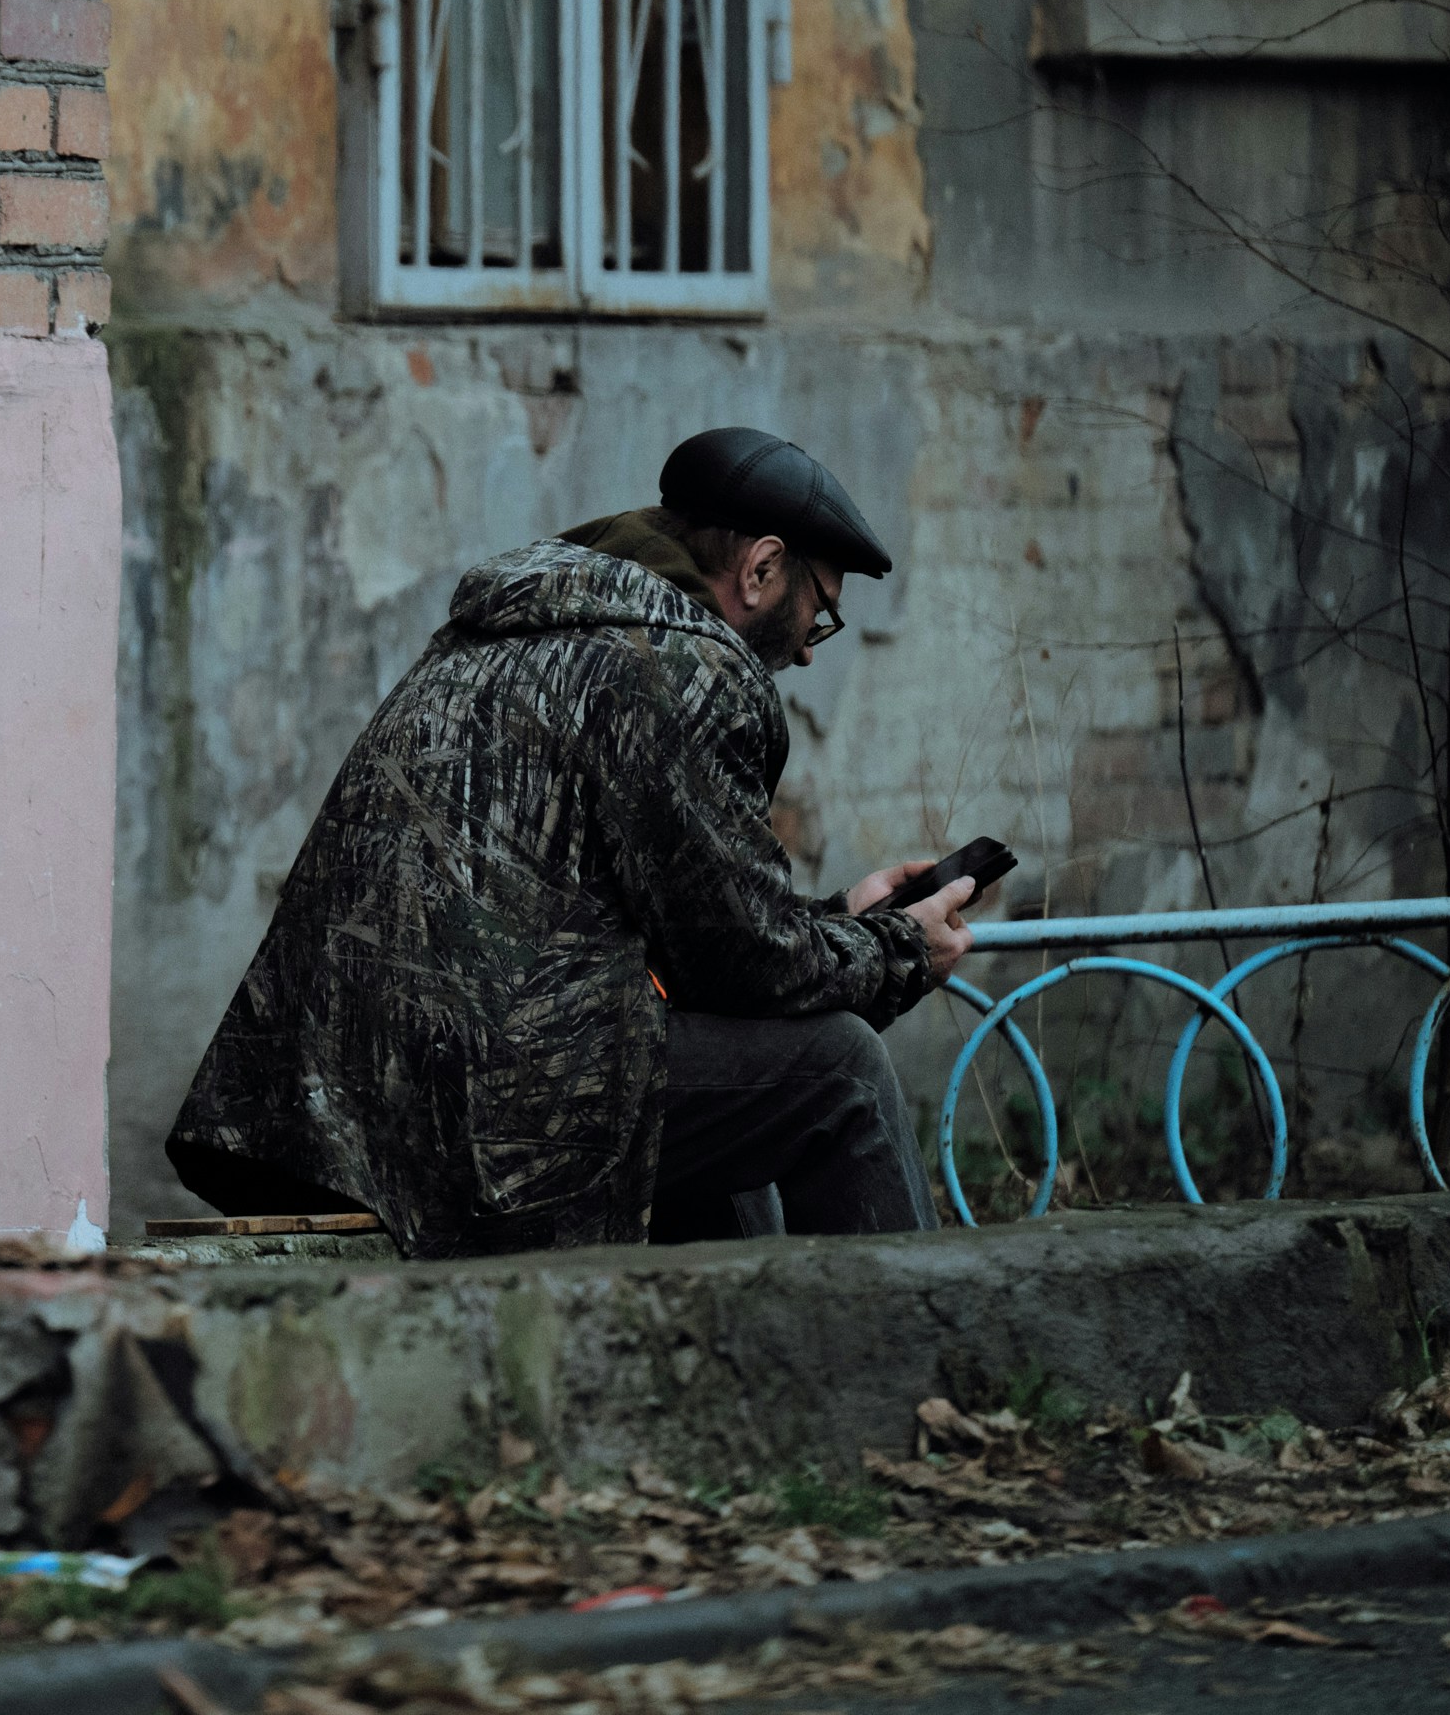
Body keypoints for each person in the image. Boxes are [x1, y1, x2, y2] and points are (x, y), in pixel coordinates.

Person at [163, 426, 983, 1258]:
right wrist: (901, 950)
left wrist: (843, 917)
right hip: (487, 1106)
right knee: (839, 1071)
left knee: (738, 1091)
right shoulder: (686, 666)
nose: (810, 648)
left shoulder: (526, 626)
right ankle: (919, 1377)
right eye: (822, 612)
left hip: (335, 1095)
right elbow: (742, 965)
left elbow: (700, 941)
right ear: (762, 569)